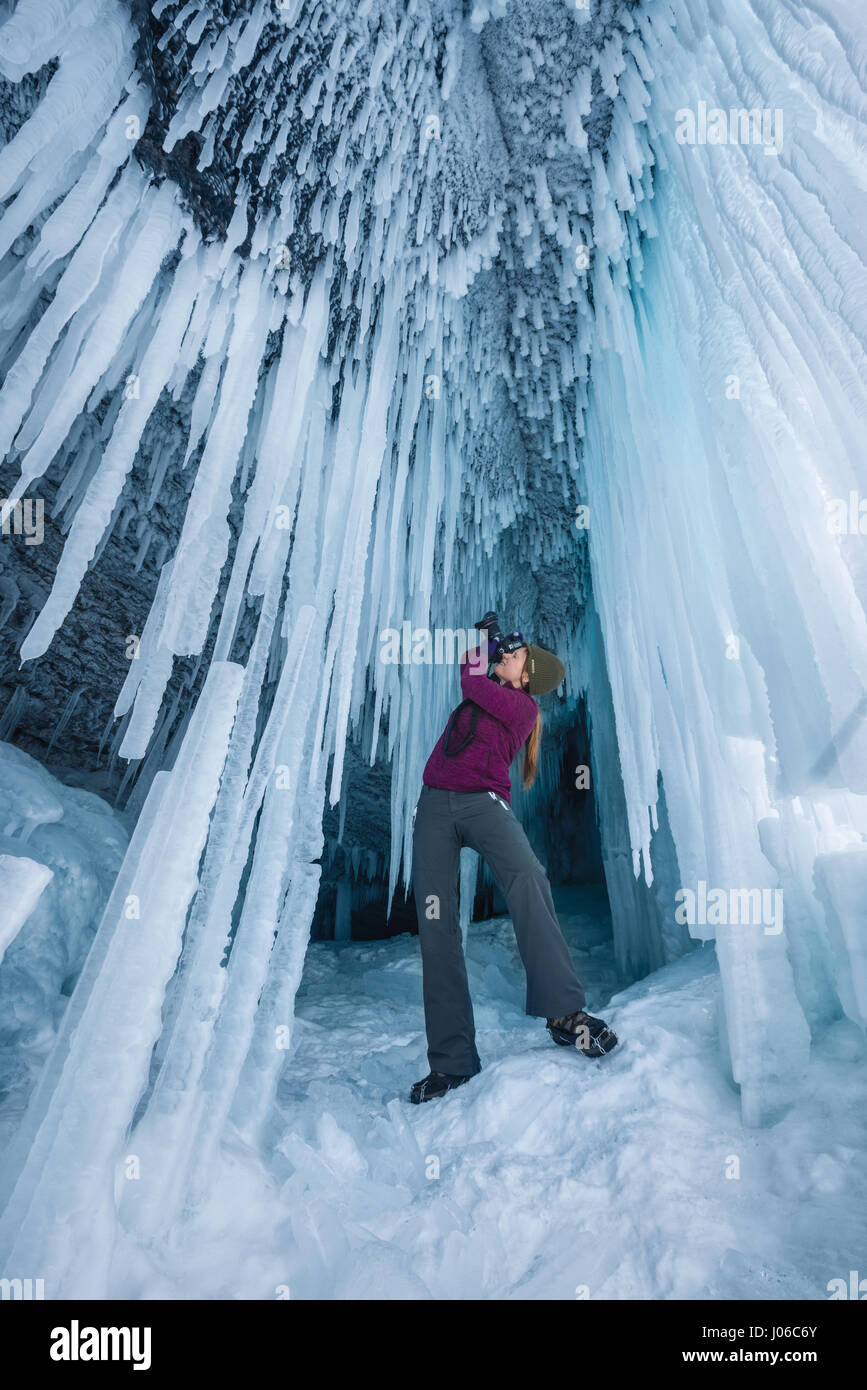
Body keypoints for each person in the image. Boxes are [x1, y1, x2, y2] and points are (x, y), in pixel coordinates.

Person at [409, 612, 618, 1104]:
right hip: (435, 803)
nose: (508, 655)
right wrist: (490, 643)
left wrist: (485, 641)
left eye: (516, 655)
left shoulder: (524, 711)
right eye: (510, 651)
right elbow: (471, 668)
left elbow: (471, 679)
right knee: (436, 927)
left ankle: (565, 1013)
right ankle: (452, 1064)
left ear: (526, 678)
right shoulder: (486, 683)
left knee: (527, 875)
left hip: (485, 803)